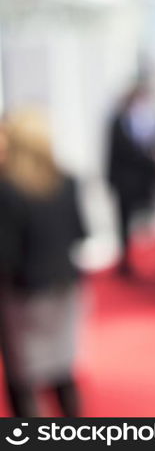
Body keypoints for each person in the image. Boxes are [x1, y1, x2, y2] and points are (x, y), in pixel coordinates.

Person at [0, 110, 86, 416]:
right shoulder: (68, 181)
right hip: (65, 286)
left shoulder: (7, 189)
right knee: (62, 370)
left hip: (23, 294)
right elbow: (81, 231)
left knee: (23, 377)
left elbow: (6, 253)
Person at [107, 83, 155, 277]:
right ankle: (127, 261)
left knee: (145, 222)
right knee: (124, 222)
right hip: (124, 182)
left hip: (143, 181)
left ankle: (146, 259)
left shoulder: (147, 121)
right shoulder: (118, 121)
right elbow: (113, 152)